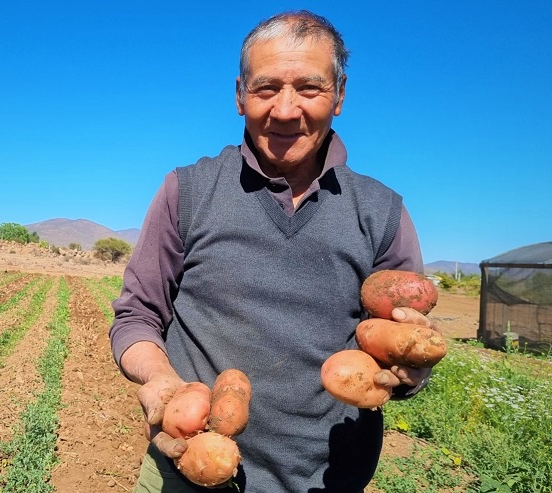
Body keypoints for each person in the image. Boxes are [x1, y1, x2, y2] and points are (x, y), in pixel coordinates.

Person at [109, 10, 434, 493]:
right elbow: (136, 315)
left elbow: (403, 343)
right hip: (192, 466)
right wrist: (160, 381)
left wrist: (410, 369)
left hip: (330, 479)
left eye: (309, 88)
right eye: (265, 89)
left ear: (339, 95)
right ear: (239, 96)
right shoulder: (188, 190)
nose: (285, 110)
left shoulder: (382, 211)